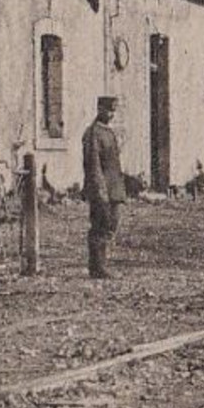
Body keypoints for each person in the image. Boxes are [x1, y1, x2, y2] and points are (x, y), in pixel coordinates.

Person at [82, 96, 126, 279]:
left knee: (111, 225)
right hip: (102, 189)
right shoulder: (93, 133)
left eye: (113, 111)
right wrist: (100, 190)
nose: (111, 114)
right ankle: (97, 267)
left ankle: (101, 264)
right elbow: (93, 164)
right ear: (99, 108)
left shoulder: (109, 132)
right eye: (108, 110)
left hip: (114, 188)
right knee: (100, 226)